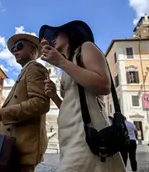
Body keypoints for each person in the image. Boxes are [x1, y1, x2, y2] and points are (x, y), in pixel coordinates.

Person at [39, 21, 125, 172]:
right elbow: (70, 107)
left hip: (87, 135)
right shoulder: (67, 67)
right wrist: (54, 96)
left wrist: (61, 62)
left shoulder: (85, 48)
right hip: (69, 138)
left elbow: (104, 85)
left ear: (70, 33)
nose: (53, 38)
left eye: (57, 33)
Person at [0, 33, 50, 172]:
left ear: (32, 49)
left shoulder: (34, 68)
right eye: (13, 48)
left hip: (21, 150)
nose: (15, 50)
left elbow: (40, 103)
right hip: (11, 149)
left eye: (19, 46)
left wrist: (3, 113)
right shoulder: (25, 72)